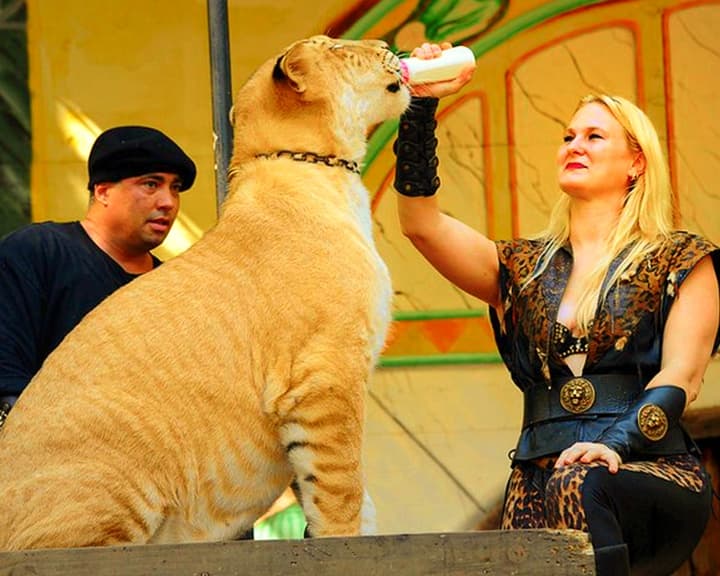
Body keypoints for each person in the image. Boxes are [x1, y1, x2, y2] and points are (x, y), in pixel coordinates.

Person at [393, 42, 719, 576]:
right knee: (538, 520)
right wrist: (419, 107)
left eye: (594, 136)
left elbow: (683, 376)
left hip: (651, 467)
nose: (575, 144)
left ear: (636, 162)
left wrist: (610, 445)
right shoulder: (520, 267)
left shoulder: (680, 258)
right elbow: (420, 225)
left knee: (577, 482)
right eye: (568, 136)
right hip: (538, 474)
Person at [0, 125, 196, 427]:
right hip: (44, 459)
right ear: (103, 191)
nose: (168, 202)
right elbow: (7, 378)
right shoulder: (36, 252)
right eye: (151, 184)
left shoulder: (173, 288)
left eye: (175, 187)